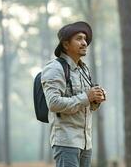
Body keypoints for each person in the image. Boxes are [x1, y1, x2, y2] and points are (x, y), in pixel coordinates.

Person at [41, 21, 106, 167]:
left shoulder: (84, 69)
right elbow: (53, 103)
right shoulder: (54, 68)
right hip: (66, 142)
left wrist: (96, 100)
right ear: (65, 44)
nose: (84, 43)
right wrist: (87, 97)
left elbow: (86, 106)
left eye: (85, 39)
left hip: (86, 143)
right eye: (79, 39)